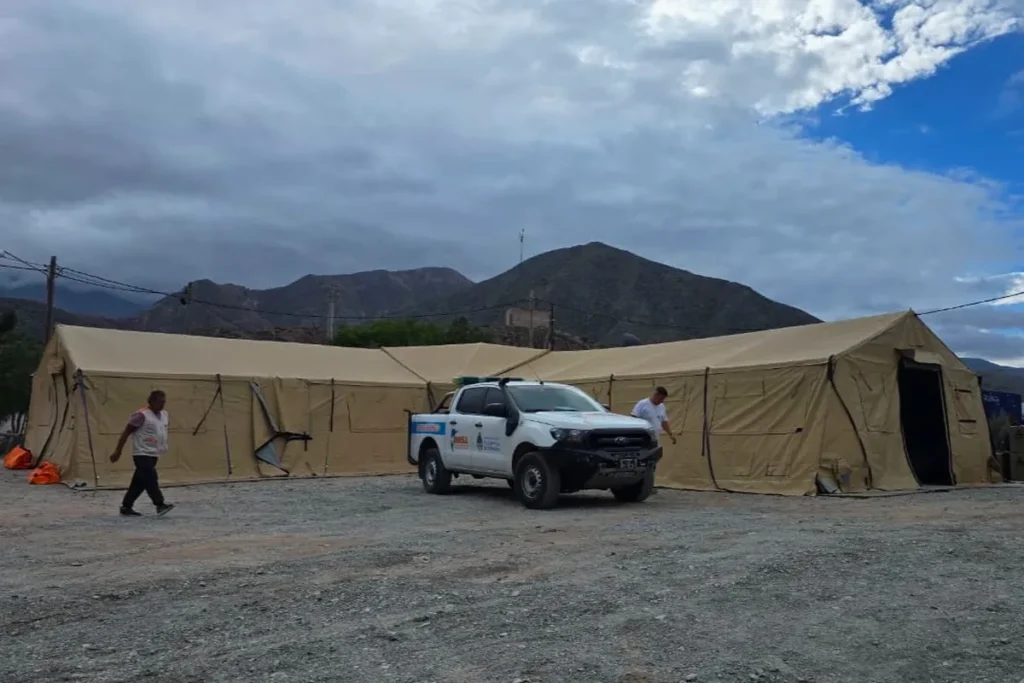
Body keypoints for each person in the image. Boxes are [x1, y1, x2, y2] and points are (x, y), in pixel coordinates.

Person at [110, 390, 174, 517]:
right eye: (159, 402)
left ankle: (126, 506)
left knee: (139, 481)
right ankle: (159, 504)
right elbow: (126, 433)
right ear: (151, 401)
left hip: (154, 453)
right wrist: (118, 451)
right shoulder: (141, 415)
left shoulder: (164, 415)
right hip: (141, 453)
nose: (162, 405)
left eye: (164, 402)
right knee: (151, 478)